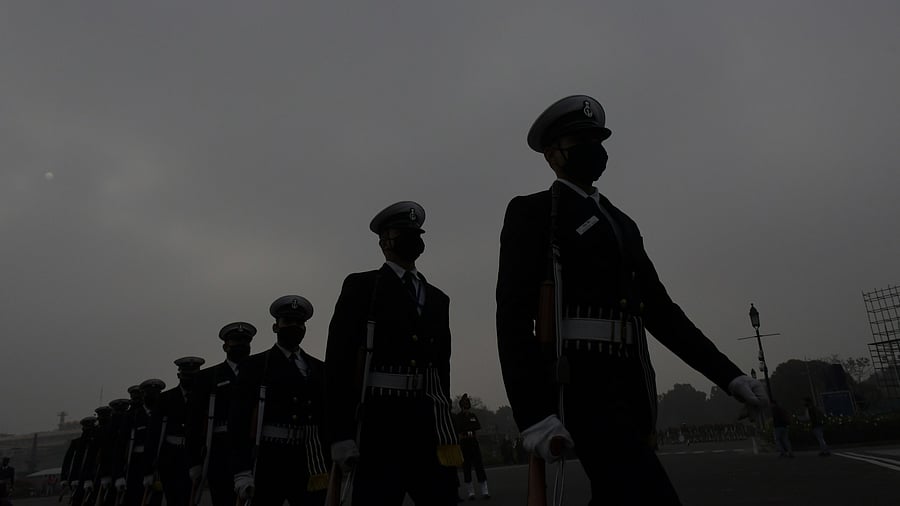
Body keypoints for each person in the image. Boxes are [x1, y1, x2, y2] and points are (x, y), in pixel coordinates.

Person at [496, 95, 769, 505]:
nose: (595, 150)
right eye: (580, 141)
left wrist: (729, 377)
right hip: (579, 386)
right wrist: (533, 414)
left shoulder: (621, 222)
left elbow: (661, 312)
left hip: (632, 386)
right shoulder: (534, 213)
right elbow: (513, 320)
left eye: (597, 140)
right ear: (553, 155)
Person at [326, 201, 462, 505]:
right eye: (403, 233)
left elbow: (442, 368)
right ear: (384, 242)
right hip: (378, 424)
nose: (413, 239)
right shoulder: (363, 287)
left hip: (427, 423)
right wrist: (340, 433)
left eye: (416, 233)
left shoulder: (438, 299)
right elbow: (338, 363)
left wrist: (445, 423)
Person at [229, 296, 329, 506]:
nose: (295, 327)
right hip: (269, 458)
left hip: (308, 458)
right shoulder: (255, 365)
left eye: (299, 323)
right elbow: (238, 420)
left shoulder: (318, 368)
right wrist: (242, 470)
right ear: (276, 327)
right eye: (288, 322)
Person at [186, 322, 255, 506]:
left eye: (245, 341)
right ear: (225, 346)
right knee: (224, 498)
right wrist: (195, 461)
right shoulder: (209, 377)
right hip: (220, 448)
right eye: (235, 341)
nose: (241, 345)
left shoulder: (259, 371)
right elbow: (194, 421)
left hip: (252, 444)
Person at [147, 358, 205, 506]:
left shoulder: (203, 396)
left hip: (196, 454)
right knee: (173, 497)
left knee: (191, 498)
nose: (190, 380)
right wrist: (150, 467)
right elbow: (154, 433)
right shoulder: (166, 398)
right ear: (179, 376)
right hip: (171, 456)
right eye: (186, 376)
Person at [455, 394, 489, 500]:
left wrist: (472, 435)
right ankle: (471, 492)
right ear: (461, 406)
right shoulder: (458, 417)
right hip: (465, 444)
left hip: (474, 443)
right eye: (464, 404)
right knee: (467, 468)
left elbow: (476, 430)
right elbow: (459, 433)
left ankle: (485, 491)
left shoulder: (473, 416)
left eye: (467, 403)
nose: (466, 406)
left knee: (479, 466)